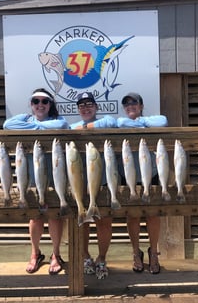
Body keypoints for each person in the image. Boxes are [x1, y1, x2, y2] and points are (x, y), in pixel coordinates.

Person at [3, 88, 69, 275]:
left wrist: (34, 128)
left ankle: (56, 254)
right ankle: (35, 253)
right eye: (35, 101)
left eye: (44, 102)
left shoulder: (58, 121)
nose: (40, 105)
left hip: (55, 179)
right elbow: (7, 125)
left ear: (50, 105)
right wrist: (33, 122)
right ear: (31, 105)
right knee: (35, 218)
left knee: (55, 217)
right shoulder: (26, 120)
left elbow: (62, 127)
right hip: (30, 178)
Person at [117, 92, 168, 274]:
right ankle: (136, 252)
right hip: (128, 177)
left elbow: (163, 121)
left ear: (141, 106)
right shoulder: (121, 125)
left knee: (153, 215)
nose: (130, 106)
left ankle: (154, 252)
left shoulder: (151, 121)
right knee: (133, 216)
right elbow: (119, 123)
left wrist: (138, 122)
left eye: (134, 103)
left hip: (151, 175)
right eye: (127, 104)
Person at [70, 92, 117, 279]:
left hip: (103, 182)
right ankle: (85, 257)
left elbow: (112, 123)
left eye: (89, 104)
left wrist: (86, 128)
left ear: (96, 107)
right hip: (78, 183)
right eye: (81, 105)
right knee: (82, 223)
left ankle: (102, 258)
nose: (86, 108)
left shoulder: (104, 122)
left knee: (104, 223)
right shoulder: (70, 127)